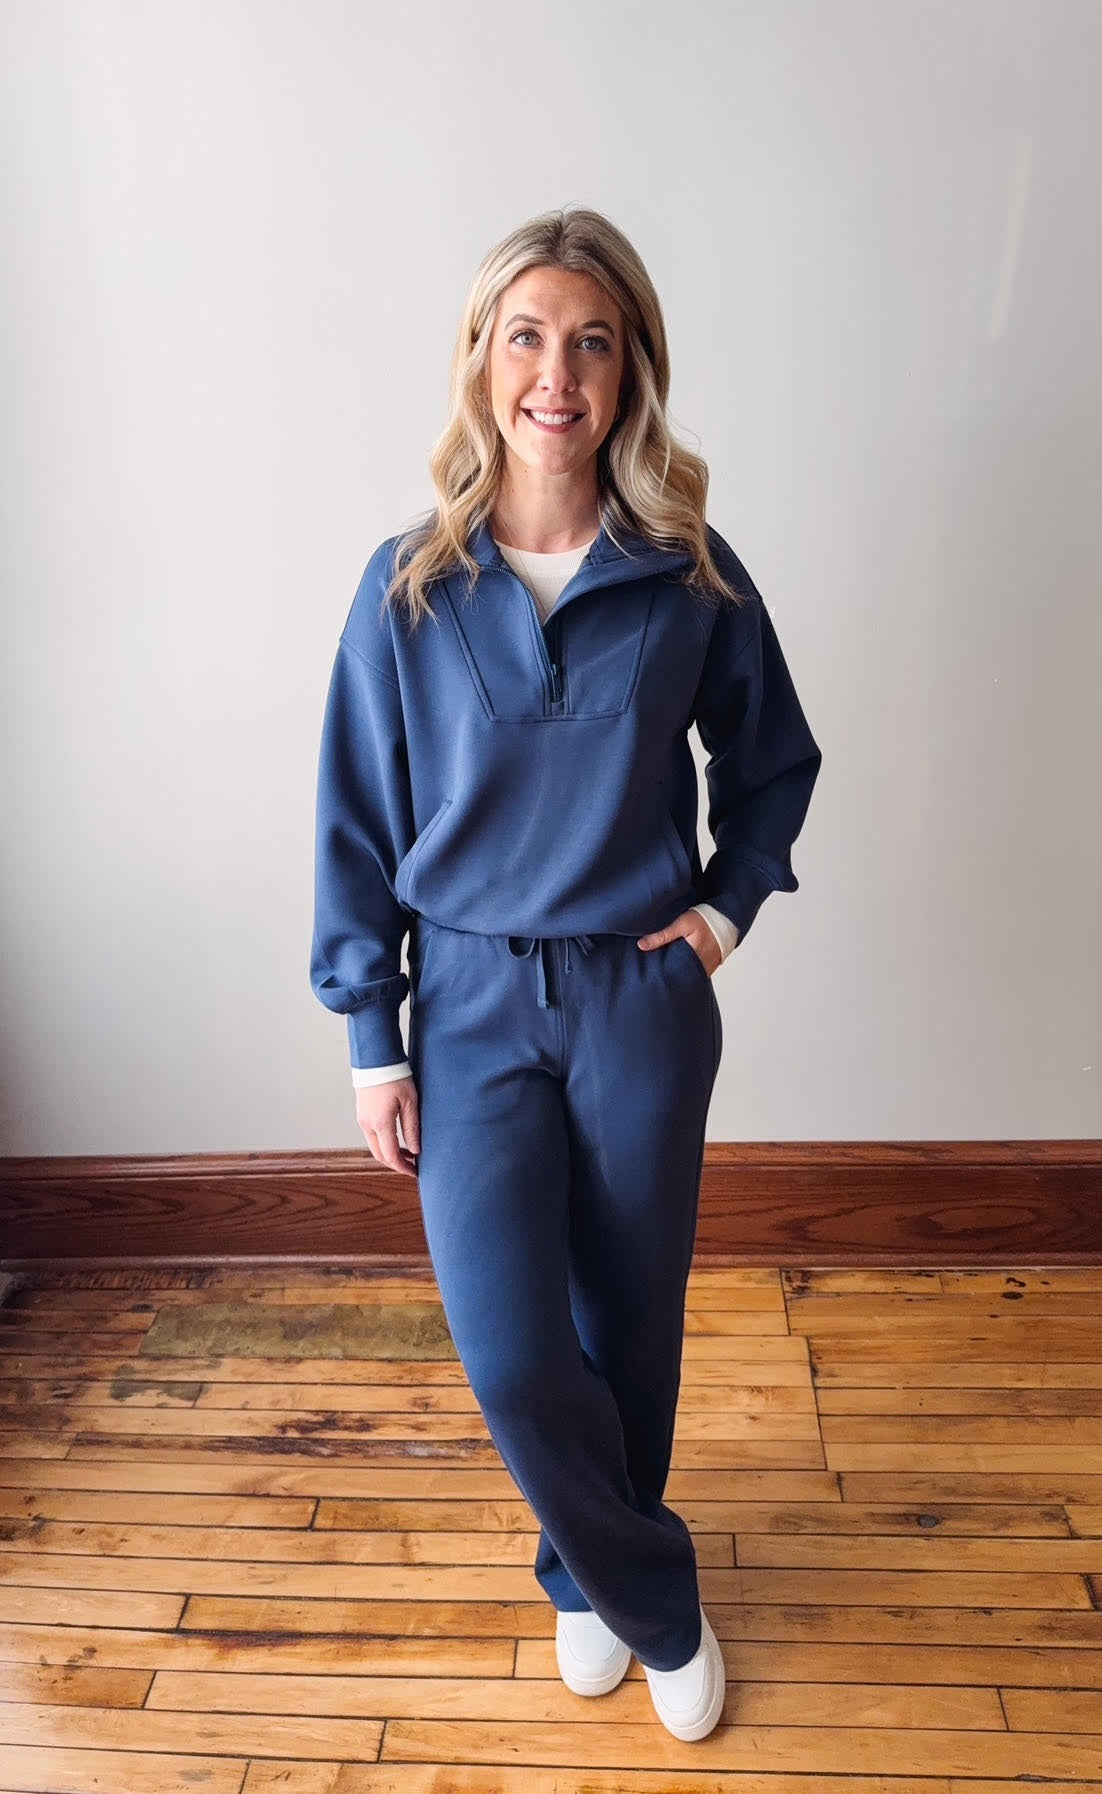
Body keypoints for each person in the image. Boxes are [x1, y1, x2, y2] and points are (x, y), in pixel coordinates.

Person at [310, 206, 822, 1743]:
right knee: (516, 1349)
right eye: (525, 335)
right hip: (463, 1001)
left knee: (630, 1324)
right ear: (480, 363)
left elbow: (771, 760)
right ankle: (657, 1595)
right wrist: (369, 1032)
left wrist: (726, 911)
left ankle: (582, 1570)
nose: (557, 371)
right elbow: (353, 814)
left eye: (592, 340)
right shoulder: (406, 584)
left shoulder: (682, 569)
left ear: (630, 370)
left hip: (636, 1002)